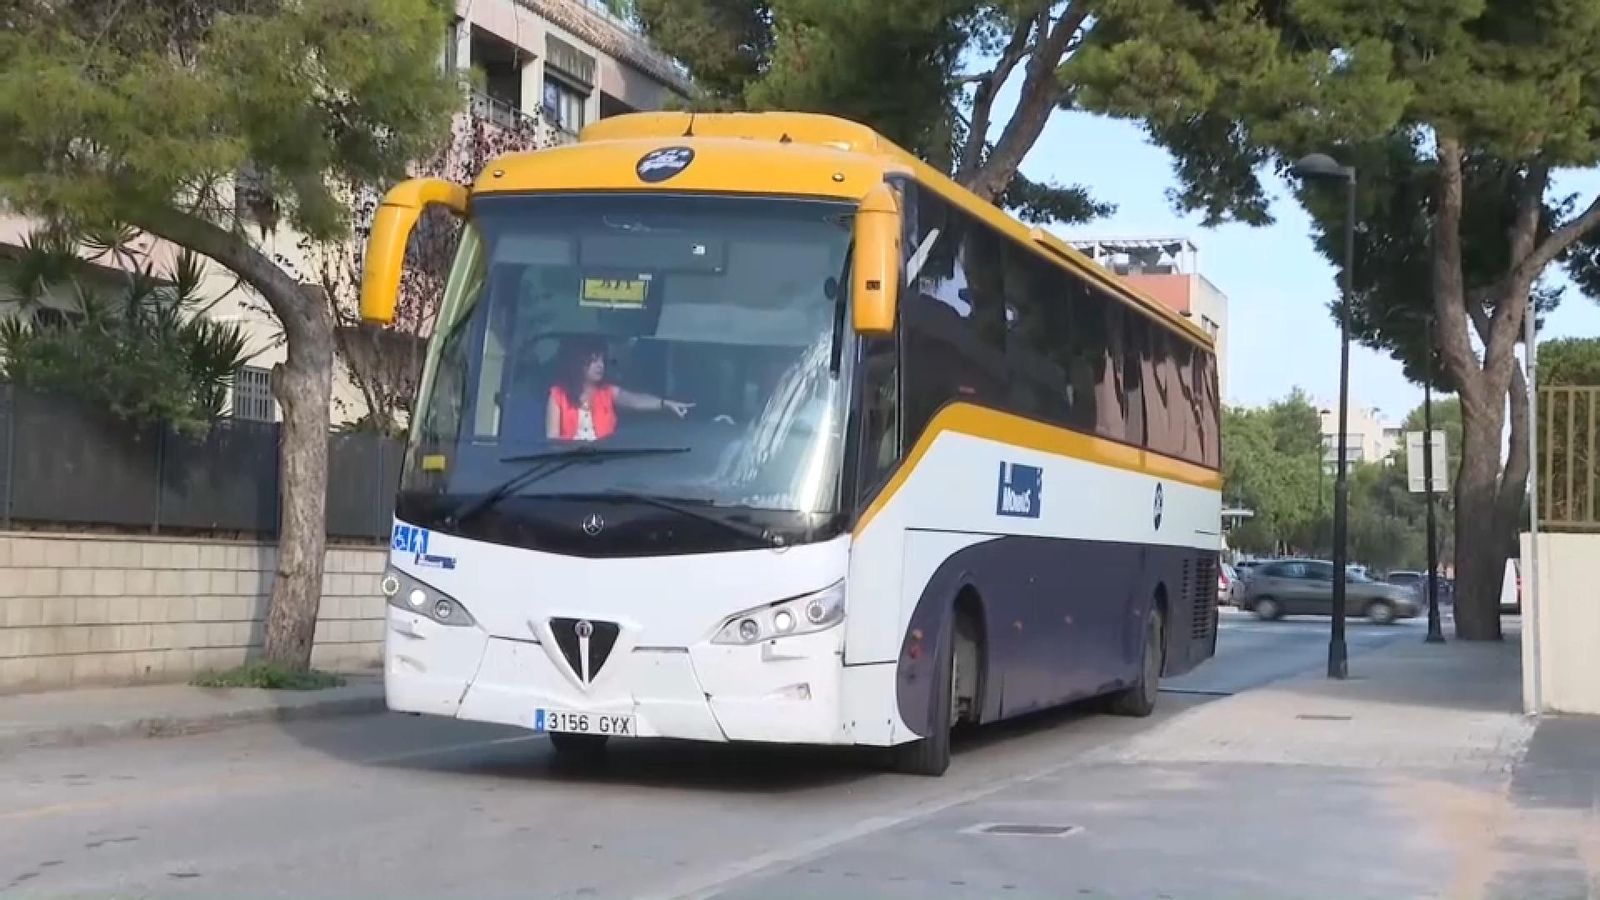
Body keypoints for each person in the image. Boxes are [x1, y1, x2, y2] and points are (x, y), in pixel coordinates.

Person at [545, 338, 693, 441]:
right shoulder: (558, 395)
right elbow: (553, 439)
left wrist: (664, 403)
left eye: (602, 360)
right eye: (594, 360)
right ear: (578, 363)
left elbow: (634, 400)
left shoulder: (607, 392)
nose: (600, 365)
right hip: (567, 467)